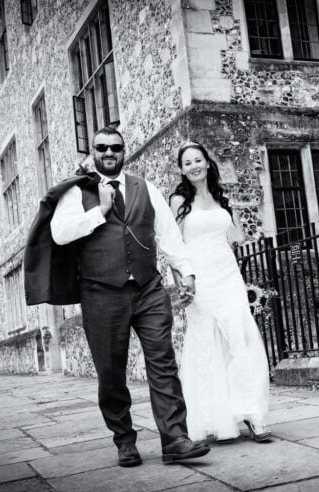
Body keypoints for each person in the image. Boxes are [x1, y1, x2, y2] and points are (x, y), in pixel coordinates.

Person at [30, 127, 209, 467]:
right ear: (93, 152)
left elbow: (168, 235)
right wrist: (100, 210)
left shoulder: (145, 188)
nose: (109, 152)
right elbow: (60, 233)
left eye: (115, 147)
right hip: (100, 294)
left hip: (148, 290)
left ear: (124, 151)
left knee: (163, 365)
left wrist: (186, 272)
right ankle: (125, 440)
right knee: (111, 373)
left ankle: (175, 439)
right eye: (102, 148)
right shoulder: (77, 192)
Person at [169, 141, 271, 443]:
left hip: (228, 276)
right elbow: (175, 247)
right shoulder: (178, 201)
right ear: (182, 170)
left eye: (198, 160)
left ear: (207, 163)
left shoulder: (220, 198)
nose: (194, 166)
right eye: (187, 163)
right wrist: (182, 282)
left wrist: (232, 209)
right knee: (205, 344)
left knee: (240, 341)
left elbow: (236, 237)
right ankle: (209, 418)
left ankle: (253, 415)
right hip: (199, 280)